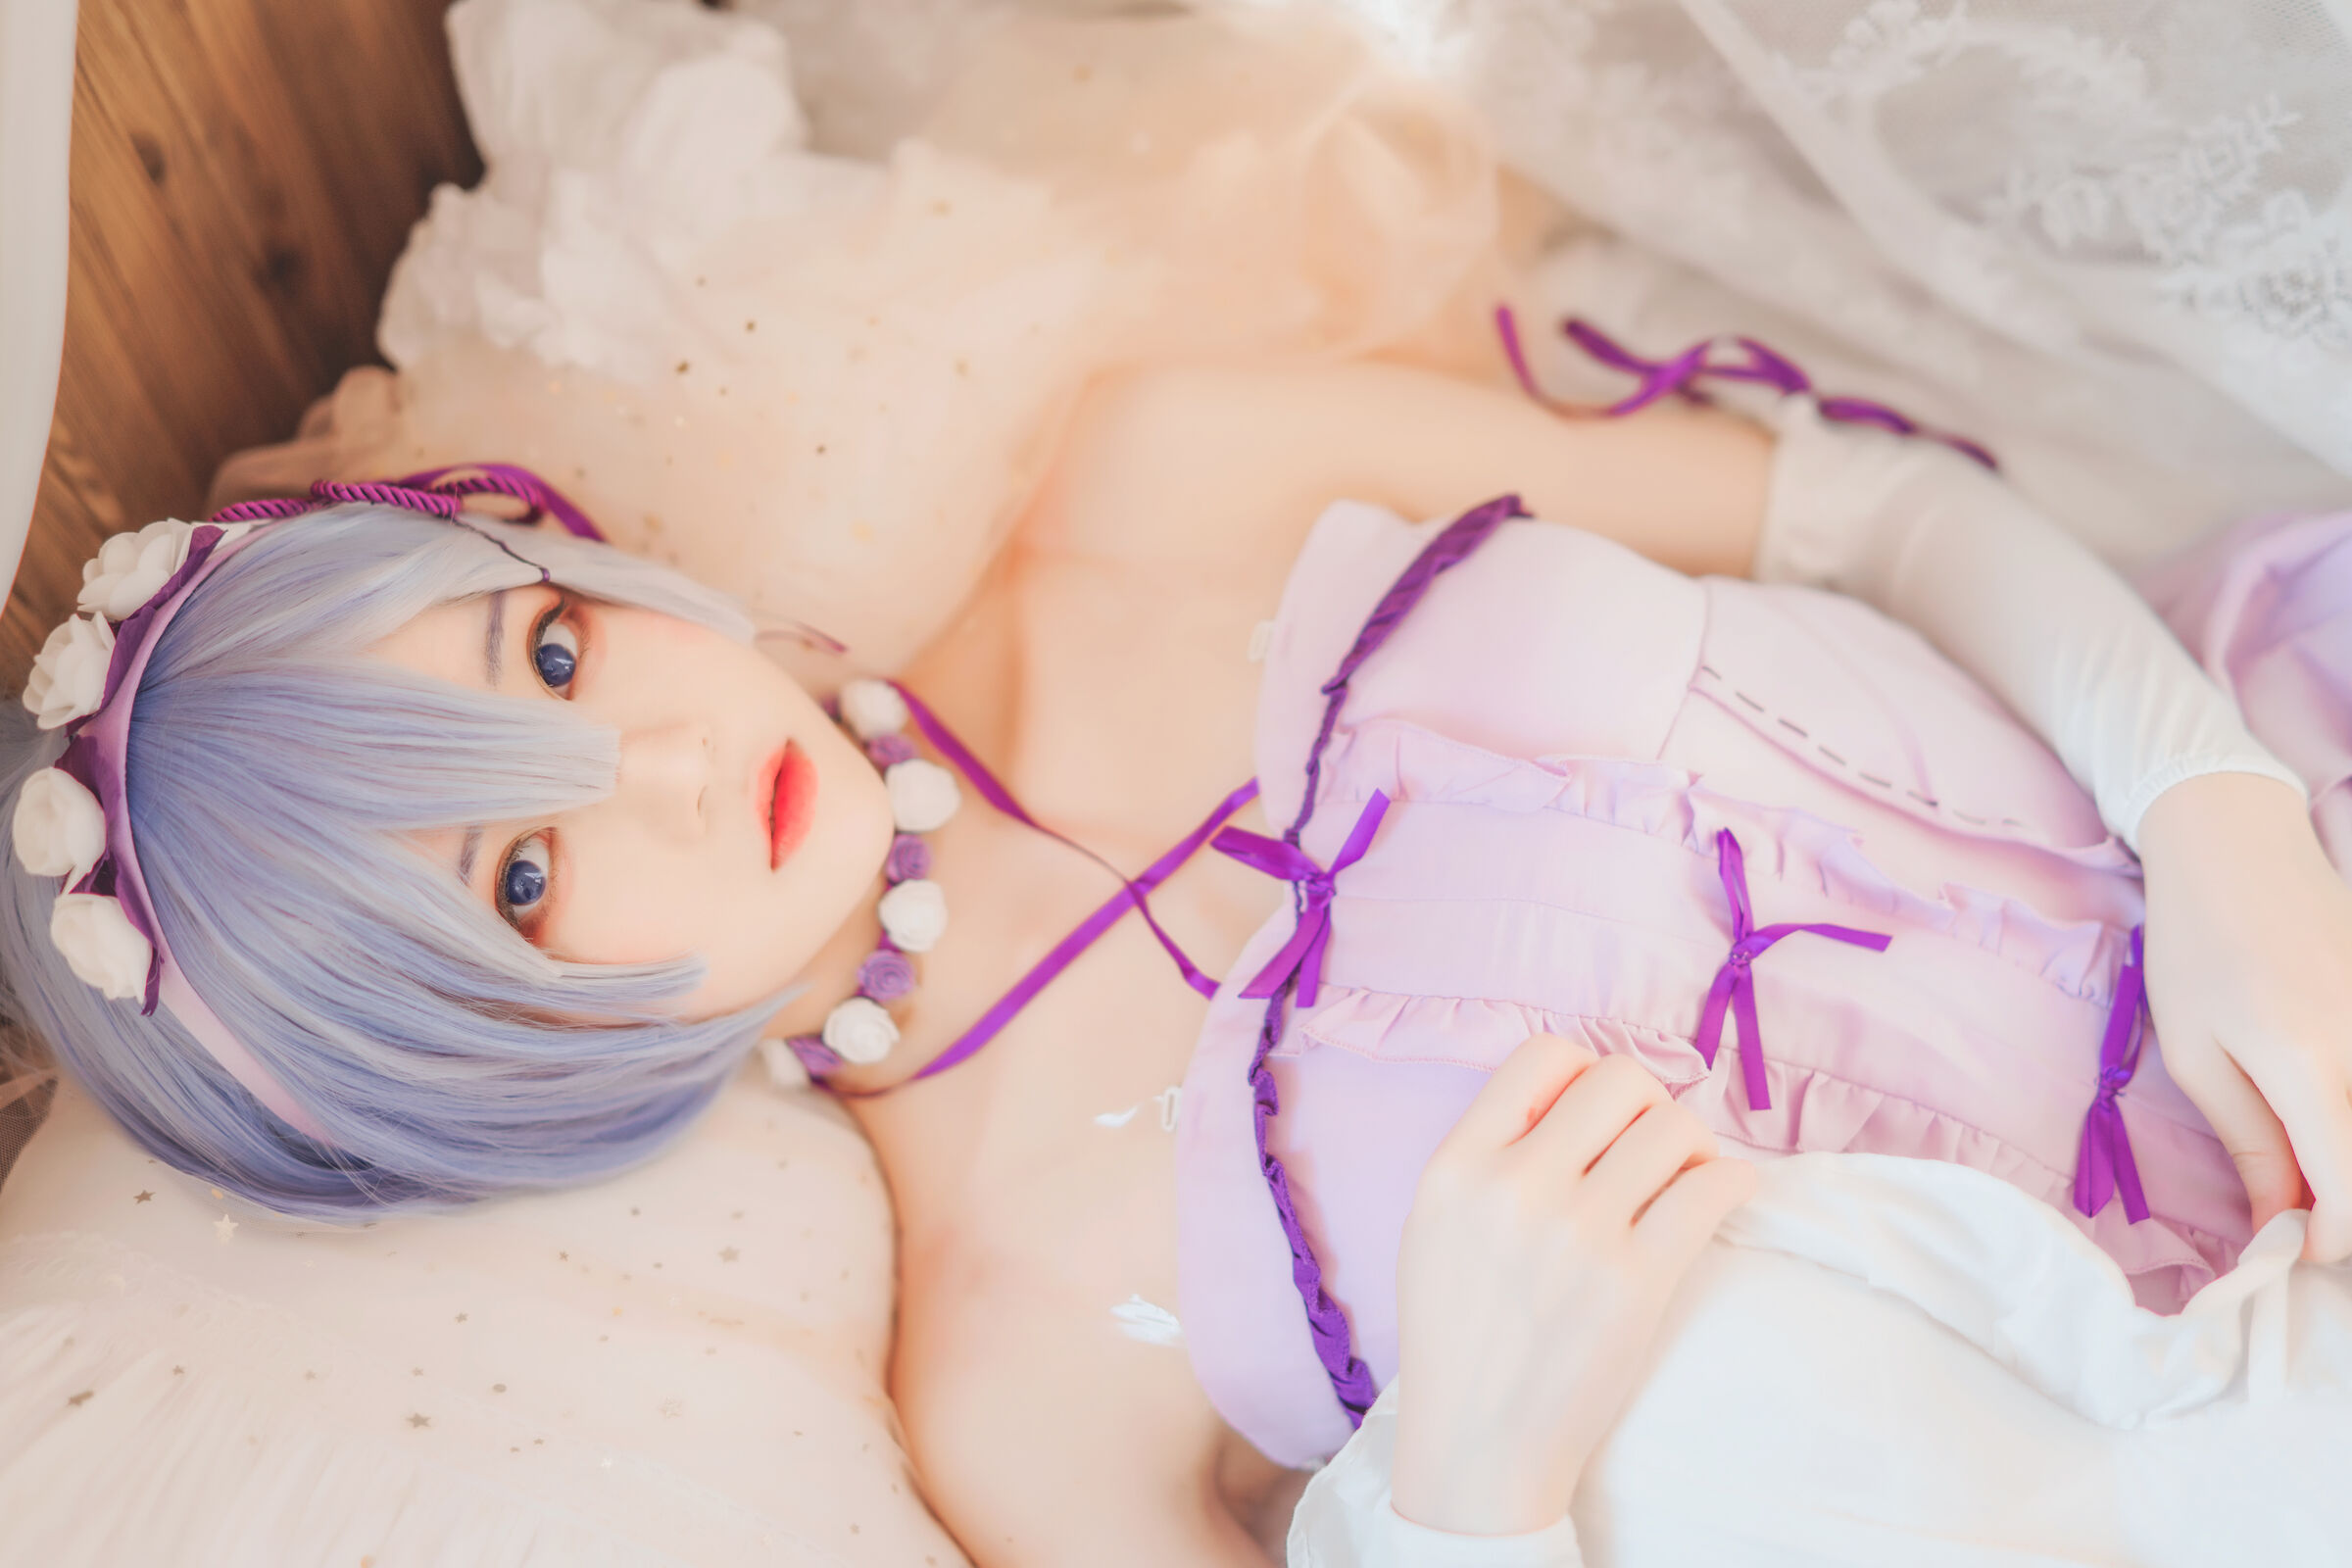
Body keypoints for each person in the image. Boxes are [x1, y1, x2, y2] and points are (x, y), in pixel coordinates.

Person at [9, 334, 2352, 1567]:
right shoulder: (1014, 1377)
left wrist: (2221, 815)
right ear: (480, 1057)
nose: (670, 763)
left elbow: (1860, 509)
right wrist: (1476, 1486)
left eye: (541, 654)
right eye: (523, 874)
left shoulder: (1165, 469)